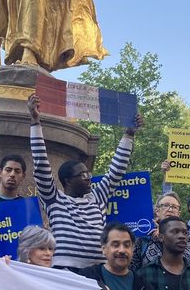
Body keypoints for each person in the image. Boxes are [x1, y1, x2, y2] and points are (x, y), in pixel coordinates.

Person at [29, 93, 142, 271]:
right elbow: (41, 163)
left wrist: (128, 135)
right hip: (65, 270)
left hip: (97, 271)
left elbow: (116, 171)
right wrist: (35, 122)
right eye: (82, 175)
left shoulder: (97, 198)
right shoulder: (54, 199)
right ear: (68, 181)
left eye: (88, 173)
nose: (89, 177)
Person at [131, 192, 190, 271]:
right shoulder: (144, 233)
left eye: (174, 207)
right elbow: (132, 267)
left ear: (178, 213)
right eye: (166, 205)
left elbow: (189, 263)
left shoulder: (186, 235)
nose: (170, 209)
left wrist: (165, 233)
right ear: (157, 211)